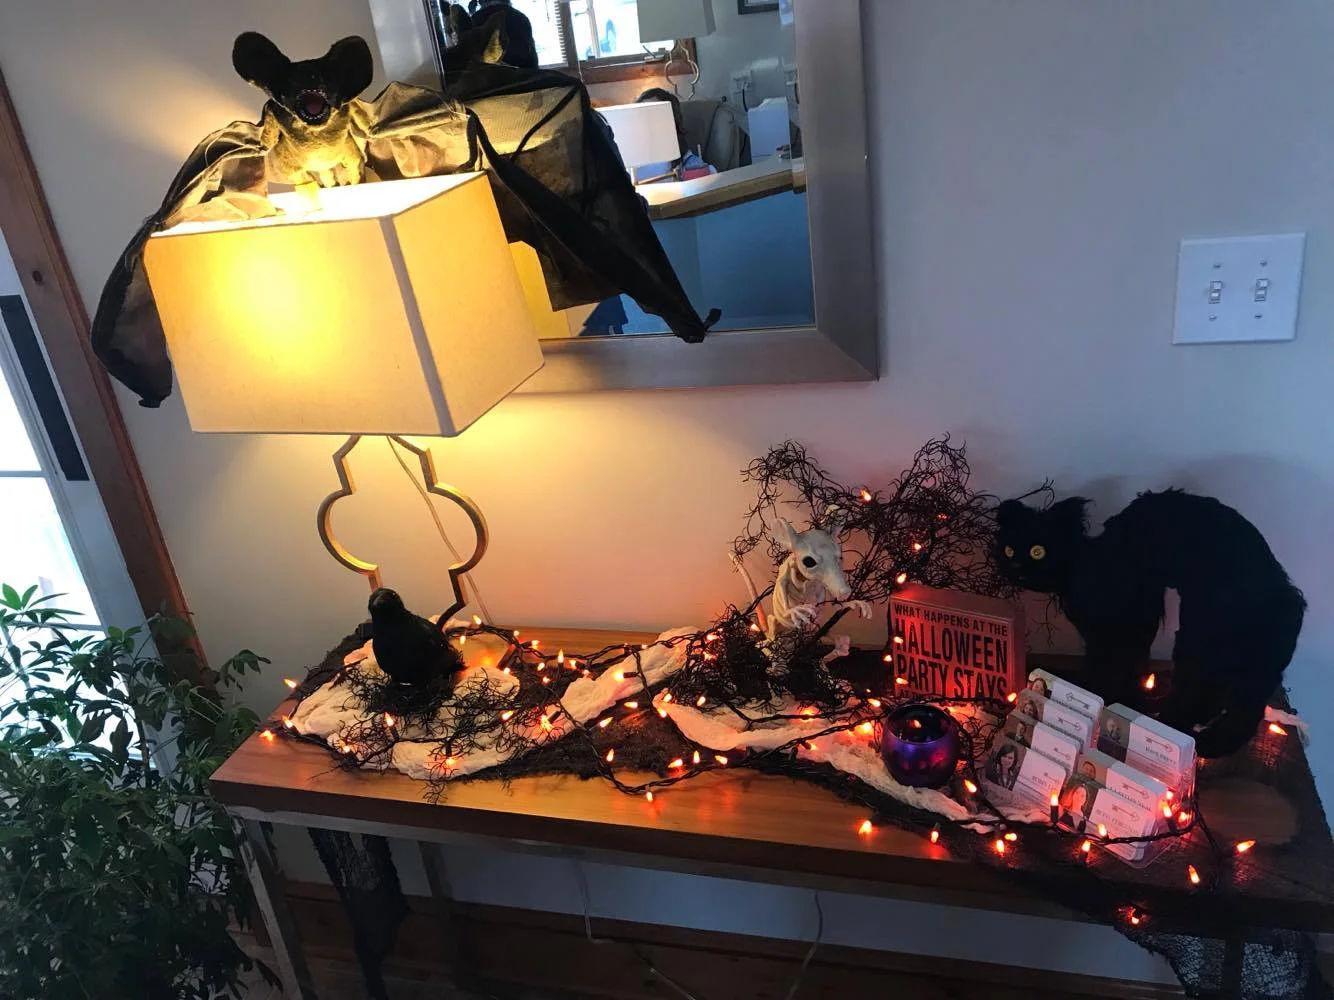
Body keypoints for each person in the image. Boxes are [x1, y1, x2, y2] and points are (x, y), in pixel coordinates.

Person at [634, 87, 716, 181]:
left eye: (652, 114)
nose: (645, 120)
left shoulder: (690, 165)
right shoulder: (631, 159)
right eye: (641, 113)